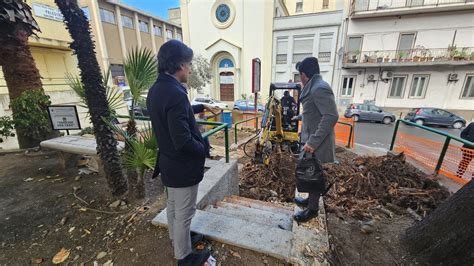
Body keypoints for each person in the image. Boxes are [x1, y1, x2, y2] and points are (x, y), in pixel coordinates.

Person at [147, 40, 216, 265]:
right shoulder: (175, 93)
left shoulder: (158, 88)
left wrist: (200, 107)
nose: (189, 69)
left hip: (168, 163)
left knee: (174, 209)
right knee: (184, 214)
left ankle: (177, 239)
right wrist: (202, 149)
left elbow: (176, 114)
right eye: (188, 64)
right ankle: (184, 258)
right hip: (182, 166)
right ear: (178, 65)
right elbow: (183, 139)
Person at [293, 57, 339, 222]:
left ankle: (312, 210)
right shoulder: (314, 87)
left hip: (318, 142)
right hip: (311, 138)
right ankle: (310, 201)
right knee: (311, 173)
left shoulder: (319, 88)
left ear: (304, 75)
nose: (300, 79)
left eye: (300, 76)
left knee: (314, 174)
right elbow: (314, 111)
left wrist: (312, 142)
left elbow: (331, 116)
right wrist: (299, 116)